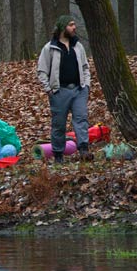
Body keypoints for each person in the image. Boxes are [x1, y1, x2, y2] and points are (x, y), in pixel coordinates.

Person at [37, 15, 92, 163]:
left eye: (74, 24)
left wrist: (86, 85)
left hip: (79, 90)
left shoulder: (78, 46)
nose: (74, 28)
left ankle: (84, 150)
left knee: (81, 119)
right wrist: (49, 90)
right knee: (59, 124)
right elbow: (42, 71)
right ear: (62, 28)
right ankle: (58, 155)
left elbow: (85, 67)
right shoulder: (49, 48)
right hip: (59, 92)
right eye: (71, 25)